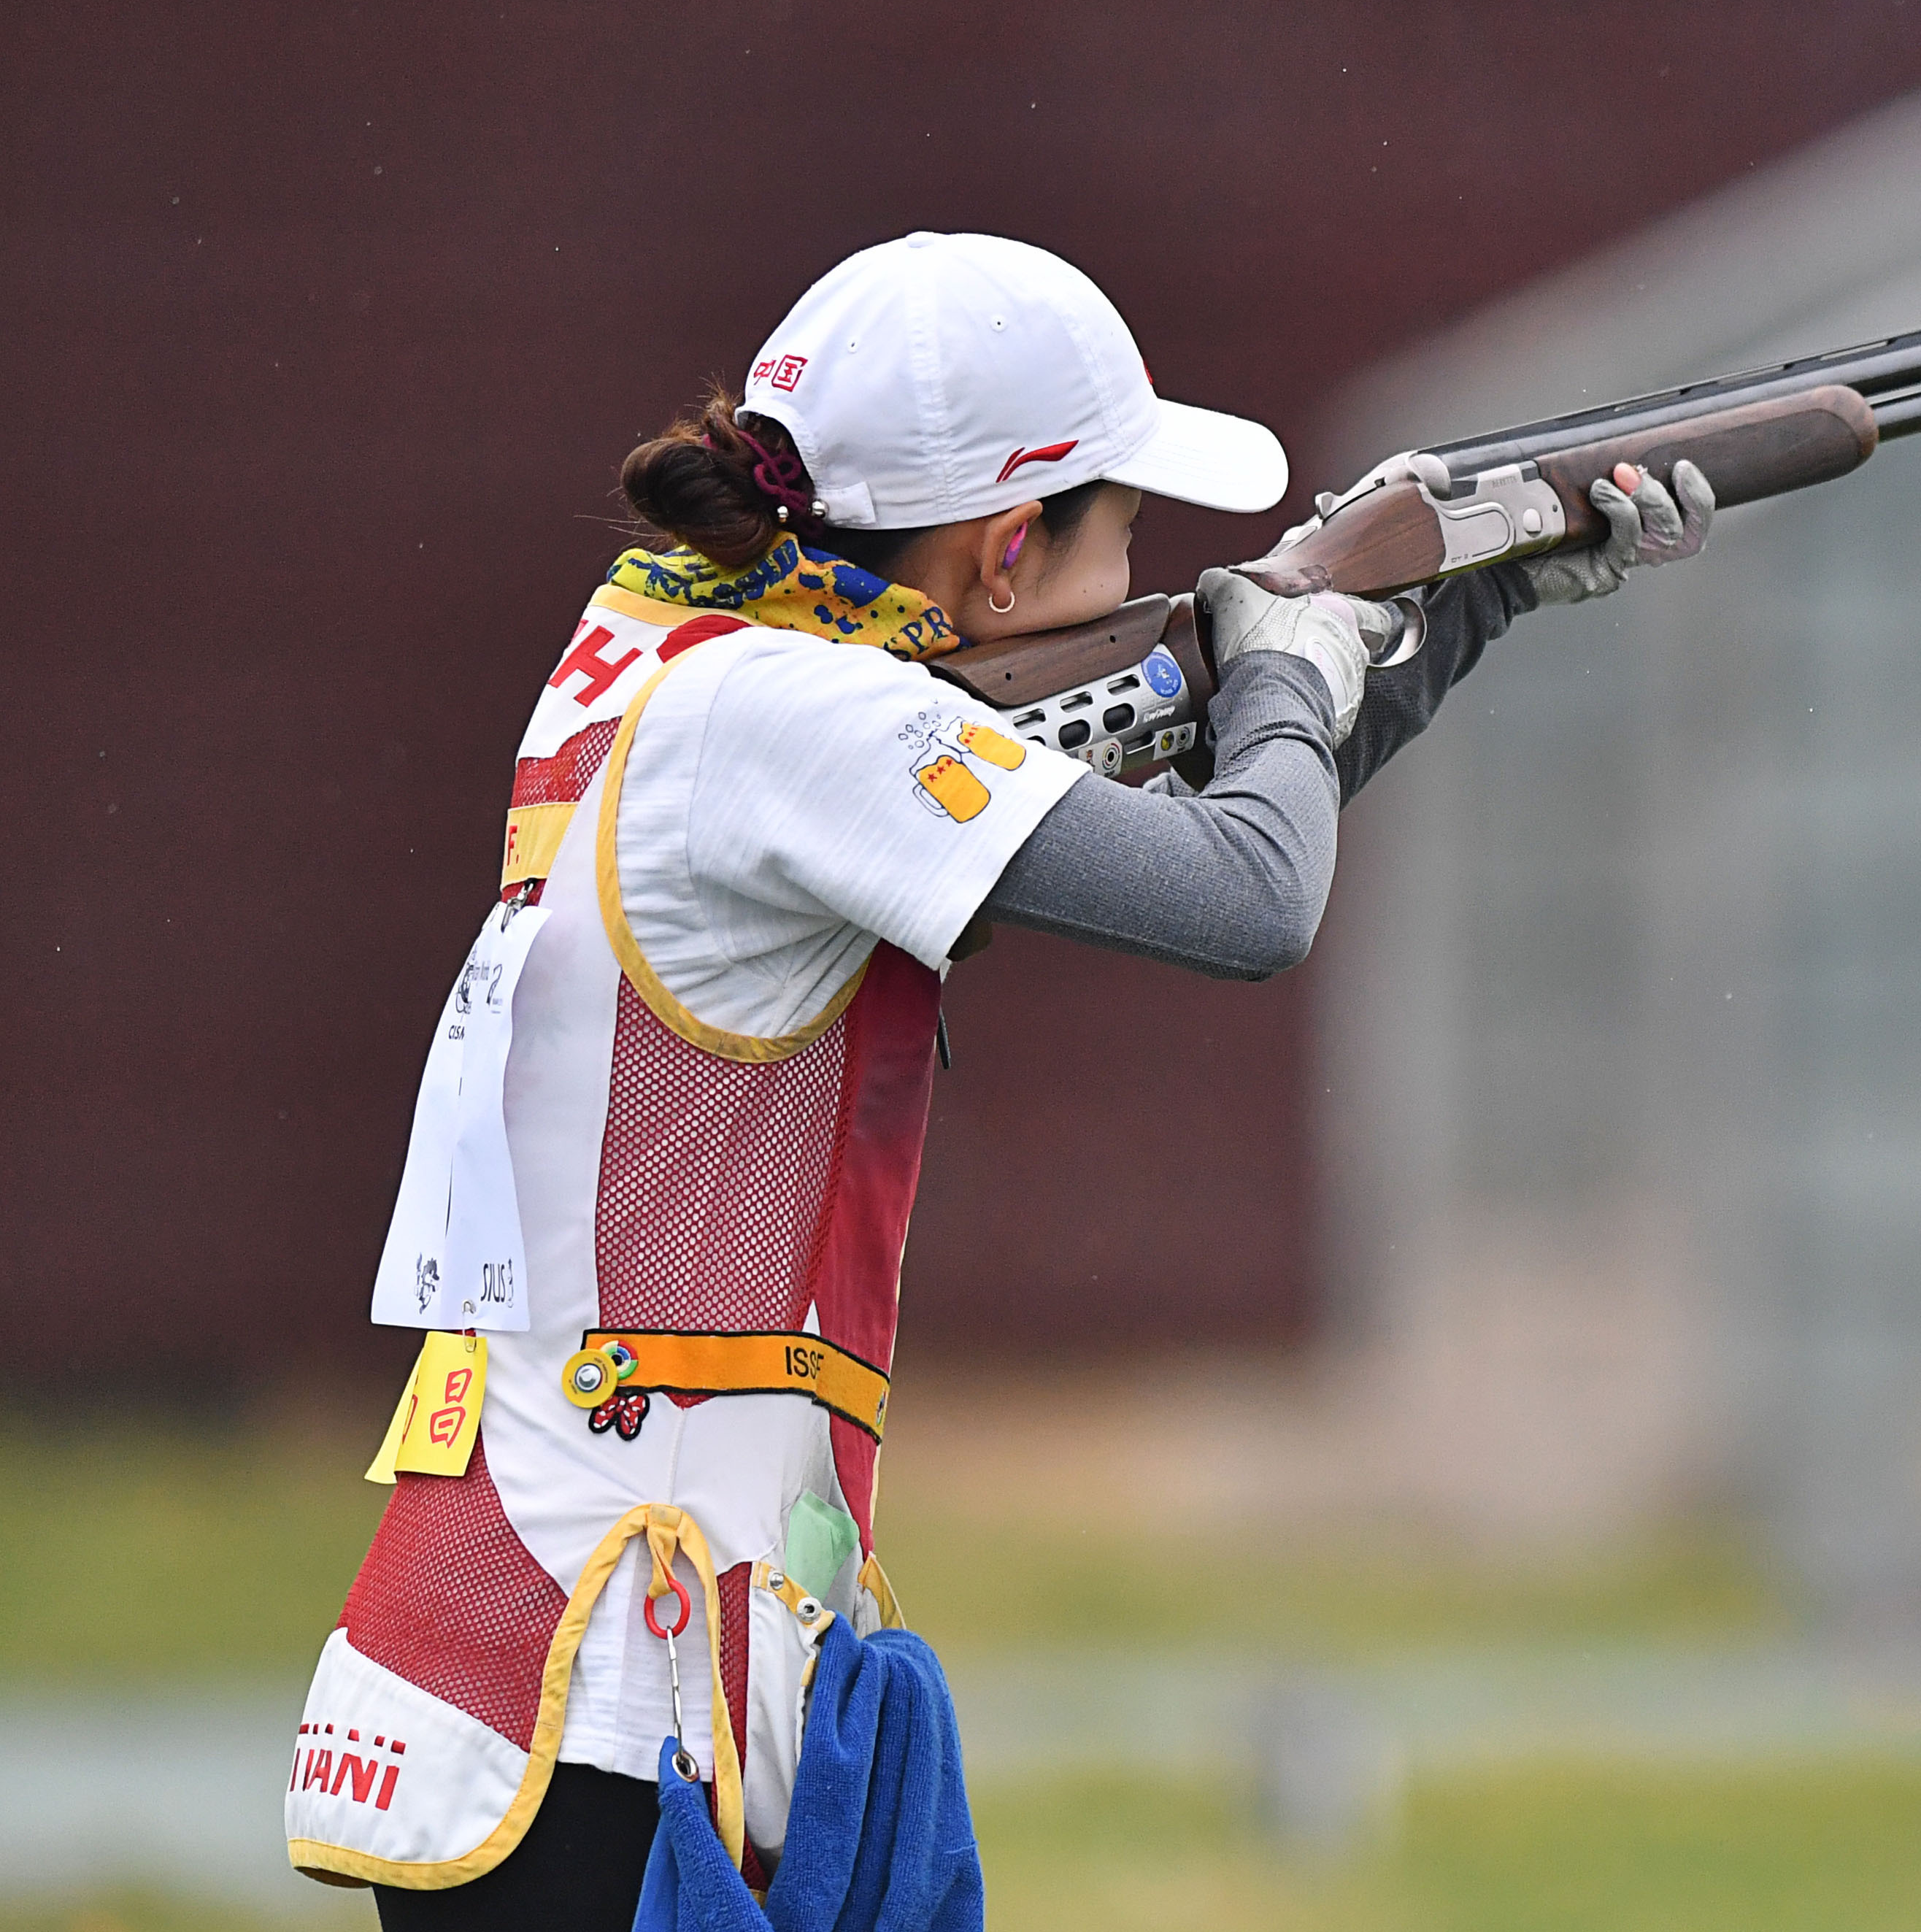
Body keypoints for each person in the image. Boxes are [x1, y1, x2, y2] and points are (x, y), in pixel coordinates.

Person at [282, 231, 1714, 1925]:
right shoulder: (796, 720)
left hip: (568, 1664)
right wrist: (1281, 664)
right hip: (597, 1705)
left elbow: (1206, 835)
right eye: (1122, 534)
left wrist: (1458, 603)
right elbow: (1248, 897)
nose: (1141, 575)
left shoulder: (681, 663)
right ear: (1008, 547)